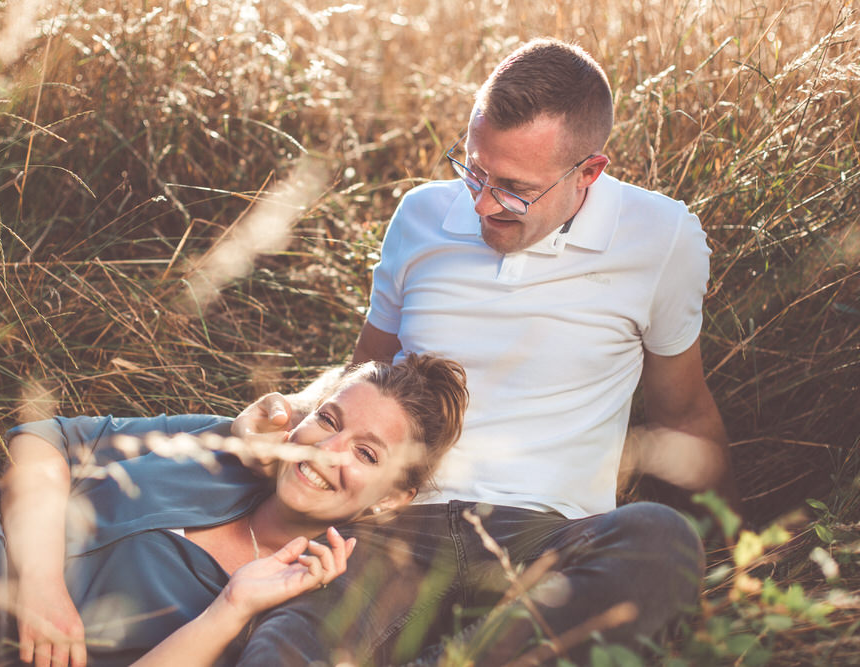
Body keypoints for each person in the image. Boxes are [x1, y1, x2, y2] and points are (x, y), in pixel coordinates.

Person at [231, 38, 741, 664]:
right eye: (473, 170)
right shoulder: (421, 217)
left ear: (588, 173)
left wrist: (739, 558)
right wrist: (290, 409)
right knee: (281, 645)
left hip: (550, 537)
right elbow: (362, 375)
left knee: (660, 541)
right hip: (393, 531)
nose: (481, 202)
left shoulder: (662, 239)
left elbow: (684, 415)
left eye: (513, 188)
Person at [0, 353, 468, 667]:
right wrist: (43, 584)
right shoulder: (228, 448)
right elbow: (47, 438)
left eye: (366, 453)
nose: (326, 449)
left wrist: (230, 608)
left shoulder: (301, 599)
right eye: (329, 420)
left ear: (392, 498)